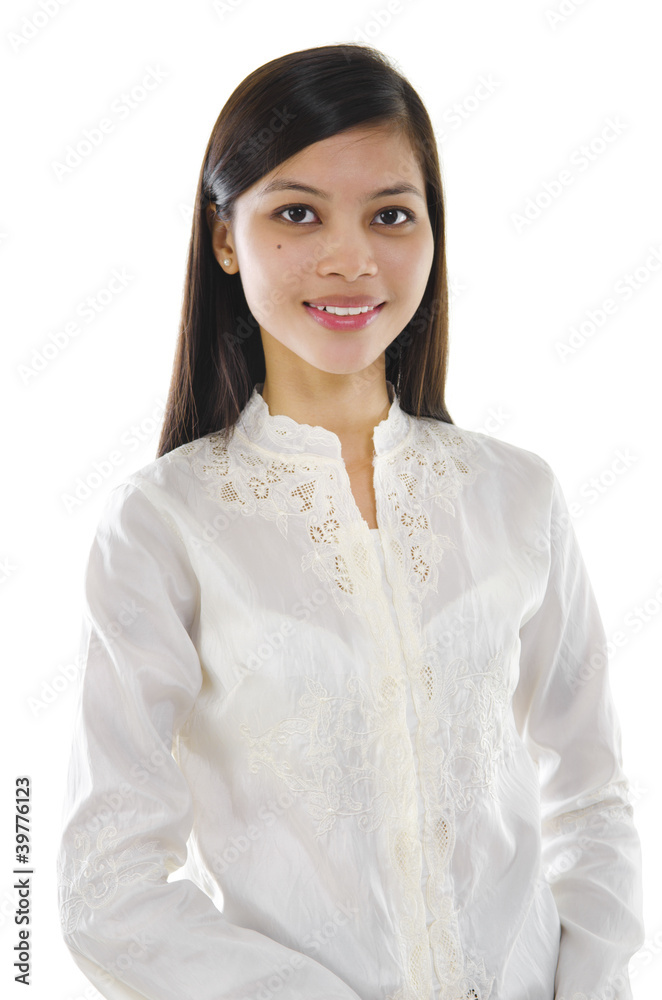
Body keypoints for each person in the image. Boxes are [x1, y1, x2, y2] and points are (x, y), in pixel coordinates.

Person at [56, 43, 644, 1000]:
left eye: (390, 214)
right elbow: (105, 890)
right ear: (224, 237)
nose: (351, 259)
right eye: (297, 212)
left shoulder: (517, 497)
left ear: (434, 231)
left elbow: (592, 794)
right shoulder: (163, 525)